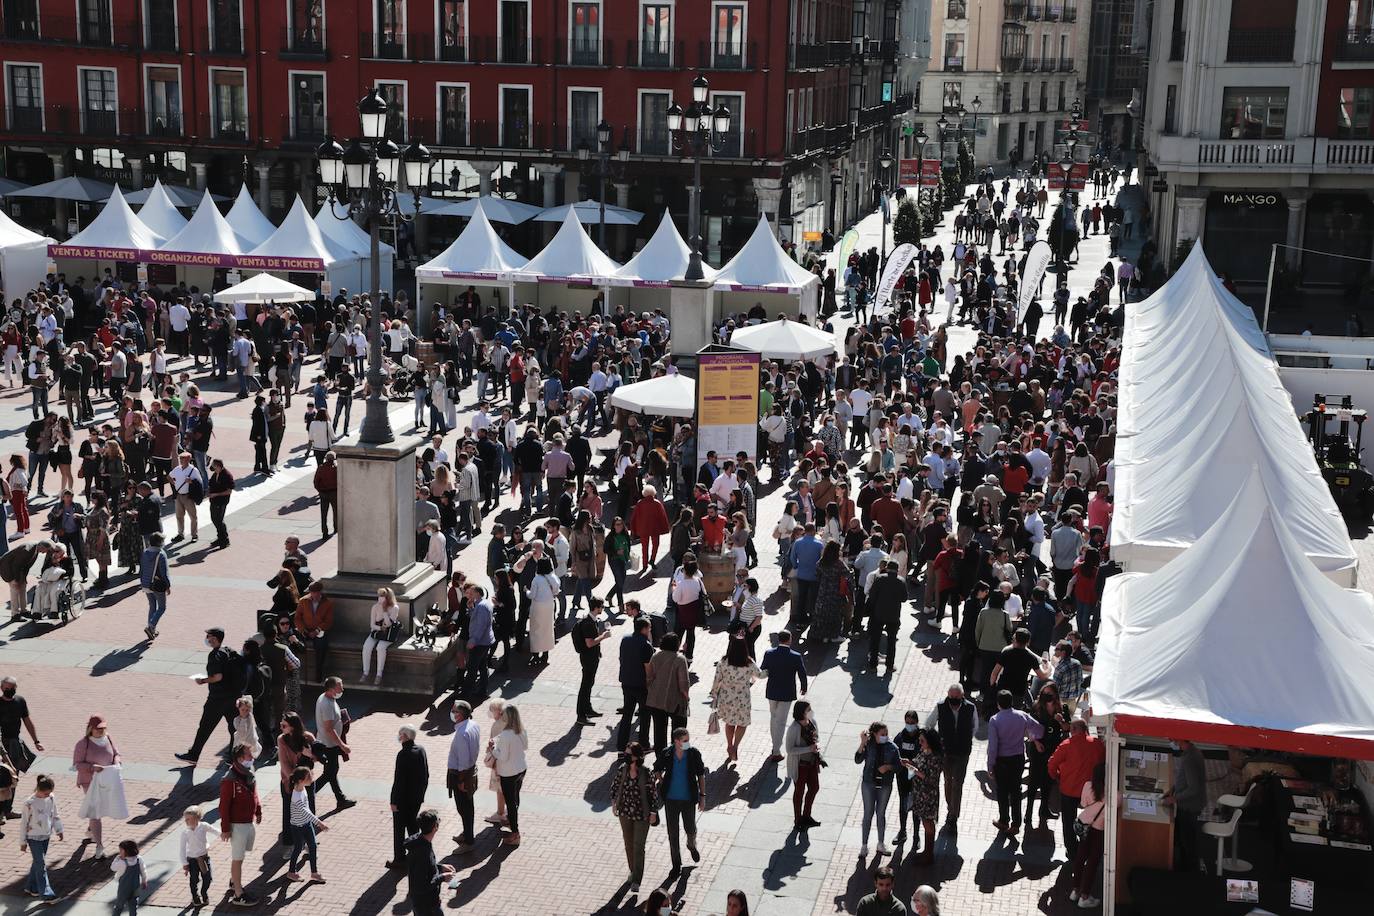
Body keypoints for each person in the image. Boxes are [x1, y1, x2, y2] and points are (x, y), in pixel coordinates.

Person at [175, 628, 239, 764]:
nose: (207, 639)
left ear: (215, 639)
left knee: (205, 727)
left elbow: (217, 676)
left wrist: (203, 680)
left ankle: (193, 755)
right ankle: (234, 757)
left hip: (217, 698)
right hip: (232, 696)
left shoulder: (215, 655)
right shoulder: (228, 651)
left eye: (209, 637)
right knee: (234, 727)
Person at [986, 689, 1044, 835]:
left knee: (1002, 792)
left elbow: (993, 747)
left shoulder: (995, 720)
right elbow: (1039, 729)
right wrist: (1032, 737)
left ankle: (1004, 820)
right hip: (1018, 759)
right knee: (1016, 791)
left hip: (1002, 760)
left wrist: (990, 765)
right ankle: (1016, 824)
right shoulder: (1022, 716)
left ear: (998, 703)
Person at [1047, 718, 1106, 857]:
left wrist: (1056, 776)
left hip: (1069, 789)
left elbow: (1051, 764)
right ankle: (1087, 845)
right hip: (1092, 790)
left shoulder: (1066, 745)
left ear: (1073, 730)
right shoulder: (1097, 744)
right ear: (1085, 729)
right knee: (1092, 819)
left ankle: (1072, 850)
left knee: (1068, 820)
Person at [609, 740, 661, 896]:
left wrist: (653, 813)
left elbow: (653, 794)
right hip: (625, 813)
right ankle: (632, 871)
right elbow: (615, 787)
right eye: (625, 753)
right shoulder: (622, 770)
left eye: (629, 754)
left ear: (637, 757)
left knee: (638, 846)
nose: (626, 756)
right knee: (628, 844)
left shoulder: (646, 773)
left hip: (641, 815)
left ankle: (637, 879)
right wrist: (614, 803)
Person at [73, 714, 127, 860]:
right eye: (97, 729)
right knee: (96, 812)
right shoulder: (83, 744)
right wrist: (92, 767)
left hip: (107, 780)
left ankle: (91, 830)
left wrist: (117, 762)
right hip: (89, 782)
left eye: (103, 728)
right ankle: (99, 846)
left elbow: (116, 753)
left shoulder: (108, 738)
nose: (100, 731)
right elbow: (77, 764)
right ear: (90, 728)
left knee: (96, 810)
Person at [654, 726, 705, 874]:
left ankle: (691, 845)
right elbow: (656, 768)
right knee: (673, 833)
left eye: (688, 740)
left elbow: (701, 775)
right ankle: (676, 864)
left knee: (690, 829)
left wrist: (702, 796)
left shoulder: (693, 754)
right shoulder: (667, 753)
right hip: (671, 800)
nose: (688, 743)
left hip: (688, 800)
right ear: (676, 741)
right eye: (685, 741)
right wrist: (662, 781)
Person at [926, 684, 977, 830]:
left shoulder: (970, 708)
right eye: (951, 697)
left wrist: (965, 739)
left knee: (958, 784)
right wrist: (936, 742)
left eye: (956, 697)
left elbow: (975, 727)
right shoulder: (940, 707)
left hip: (962, 752)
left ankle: (954, 815)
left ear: (962, 696)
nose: (953, 699)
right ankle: (951, 808)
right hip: (946, 752)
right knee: (948, 781)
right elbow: (929, 724)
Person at [218, 743, 262, 907]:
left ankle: (233, 881)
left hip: (247, 822)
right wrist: (225, 829)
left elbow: (254, 794)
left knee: (241, 855)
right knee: (238, 859)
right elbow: (223, 806)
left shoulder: (249, 773)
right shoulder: (229, 780)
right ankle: (238, 894)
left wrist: (258, 810)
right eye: (249, 754)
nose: (252, 757)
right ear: (240, 758)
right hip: (237, 825)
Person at [708, 635, 763, 762]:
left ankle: (729, 745)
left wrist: (714, 693)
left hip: (726, 698)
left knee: (730, 723)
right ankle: (735, 746)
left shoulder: (723, 662)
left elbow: (717, 679)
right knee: (742, 724)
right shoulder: (749, 663)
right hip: (743, 699)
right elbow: (760, 675)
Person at [761, 630, 808, 762]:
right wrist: (804, 687)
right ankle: (776, 751)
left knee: (773, 718)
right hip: (787, 693)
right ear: (790, 639)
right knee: (780, 722)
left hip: (772, 691)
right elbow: (802, 673)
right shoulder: (795, 656)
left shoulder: (769, 653)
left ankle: (775, 745)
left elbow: (763, 669)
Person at [856, 721, 901, 857]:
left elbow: (898, 767)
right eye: (882, 734)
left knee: (881, 813)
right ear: (874, 734)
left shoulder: (892, 748)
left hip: (885, 784)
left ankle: (880, 843)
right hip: (869, 783)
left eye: (886, 734)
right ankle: (864, 845)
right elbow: (857, 759)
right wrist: (862, 743)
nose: (885, 736)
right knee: (868, 813)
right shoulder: (869, 745)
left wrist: (888, 767)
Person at [1163, 738, 1206, 873]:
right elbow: (1185, 779)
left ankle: (1190, 872)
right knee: (1185, 838)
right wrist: (1174, 788)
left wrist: (1174, 798)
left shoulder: (1190, 759)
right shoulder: (1192, 753)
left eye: (1172, 739)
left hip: (1189, 806)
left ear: (1180, 739)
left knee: (1187, 841)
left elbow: (1194, 788)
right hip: (1190, 804)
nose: (1171, 741)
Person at [19, 773, 62, 903]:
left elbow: (55, 814)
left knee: (38, 862)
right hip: (33, 837)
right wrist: (23, 842)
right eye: (46, 793)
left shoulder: (51, 798)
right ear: (39, 790)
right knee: (41, 864)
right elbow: (24, 823)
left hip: (46, 836)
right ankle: (47, 894)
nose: (48, 796)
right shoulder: (29, 803)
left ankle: (31, 887)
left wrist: (59, 829)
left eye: (50, 793)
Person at [445, 700, 481, 853]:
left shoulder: (461, 734)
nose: (452, 713)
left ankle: (468, 841)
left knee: (464, 808)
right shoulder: (473, 725)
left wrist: (460, 780)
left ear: (460, 715)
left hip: (461, 775)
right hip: (469, 772)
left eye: (454, 711)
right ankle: (467, 833)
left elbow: (464, 761)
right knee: (467, 807)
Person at [645, 632, 691, 751]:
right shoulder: (680, 659)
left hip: (656, 700)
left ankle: (660, 760)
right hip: (675, 701)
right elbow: (683, 684)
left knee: (659, 732)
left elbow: (649, 676)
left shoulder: (656, 656)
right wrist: (687, 698)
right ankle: (681, 754)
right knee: (680, 731)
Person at [313, 676, 353, 809]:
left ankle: (340, 799)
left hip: (329, 742)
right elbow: (329, 728)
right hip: (329, 744)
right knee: (330, 772)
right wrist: (342, 745)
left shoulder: (328, 699)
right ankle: (309, 793)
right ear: (331, 689)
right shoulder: (326, 704)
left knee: (331, 771)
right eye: (339, 686)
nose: (342, 688)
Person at [491, 704, 528, 846]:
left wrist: (494, 749)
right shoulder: (522, 731)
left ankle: (515, 832)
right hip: (521, 769)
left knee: (510, 803)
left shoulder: (506, 735)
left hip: (509, 773)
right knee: (515, 798)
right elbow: (525, 747)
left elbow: (503, 756)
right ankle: (513, 822)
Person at [404, 809, 454, 916]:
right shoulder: (423, 852)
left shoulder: (420, 841)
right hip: (426, 905)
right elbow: (422, 885)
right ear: (435, 827)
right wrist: (442, 877)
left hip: (425, 901)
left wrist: (440, 867)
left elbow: (425, 869)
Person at [1071, 763, 1107, 908]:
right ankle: (1085, 896)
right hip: (1099, 830)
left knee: (1080, 857)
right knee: (1093, 861)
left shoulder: (1087, 785)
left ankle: (1075, 890)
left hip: (1085, 826)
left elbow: (1083, 803)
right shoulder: (1113, 793)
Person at [617, 616, 655, 752]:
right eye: (649, 628)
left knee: (627, 714)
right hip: (641, 685)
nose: (650, 630)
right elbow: (648, 668)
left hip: (626, 682)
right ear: (644, 629)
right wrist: (651, 683)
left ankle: (621, 745)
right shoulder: (646, 645)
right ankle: (644, 744)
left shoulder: (625, 639)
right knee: (645, 715)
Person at [285, 766, 328, 883]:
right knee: (298, 848)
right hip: (297, 827)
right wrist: (320, 823)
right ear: (300, 780)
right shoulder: (296, 797)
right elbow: (307, 812)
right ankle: (291, 872)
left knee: (313, 846)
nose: (311, 778)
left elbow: (307, 811)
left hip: (306, 824)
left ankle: (314, 873)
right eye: (308, 777)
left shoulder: (302, 789)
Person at [573, 598, 611, 726]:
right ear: (597, 608)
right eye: (602, 607)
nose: (603, 609)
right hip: (588, 658)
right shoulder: (589, 623)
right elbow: (589, 643)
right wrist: (603, 637)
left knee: (589, 684)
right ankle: (581, 715)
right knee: (585, 685)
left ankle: (587, 710)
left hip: (590, 657)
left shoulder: (590, 620)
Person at [785, 699, 823, 830]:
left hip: (812, 763)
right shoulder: (793, 728)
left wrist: (816, 747)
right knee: (799, 792)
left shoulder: (812, 722)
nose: (811, 712)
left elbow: (816, 737)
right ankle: (798, 820)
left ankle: (807, 816)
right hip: (800, 765)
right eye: (808, 710)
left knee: (814, 788)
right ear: (801, 712)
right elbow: (789, 750)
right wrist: (808, 749)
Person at [295, 581, 335, 682]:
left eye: (316, 592)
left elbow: (328, 621)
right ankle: (295, 670)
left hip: (319, 630)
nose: (314, 595)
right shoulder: (303, 601)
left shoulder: (327, 603)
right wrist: (302, 629)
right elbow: (297, 618)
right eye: (312, 592)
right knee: (295, 643)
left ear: (320, 592)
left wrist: (317, 630)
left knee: (321, 647)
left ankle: (319, 671)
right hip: (305, 630)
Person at [362, 587, 402, 685]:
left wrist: (384, 611)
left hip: (388, 634)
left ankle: (379, 674)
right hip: (377, 631)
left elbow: (388, 624)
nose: (380, 598)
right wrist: (380, 628)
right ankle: (365, 672)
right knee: (366, 647)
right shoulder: (375, 607)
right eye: (379, 596)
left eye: (383, 596)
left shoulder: (394, 608)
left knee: (380, 647)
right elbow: (372, 625)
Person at [179, 805, 214, 907]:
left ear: (197, 818)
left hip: (203, 858)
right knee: (194, 879)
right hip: (192, 860)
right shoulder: (185, 833)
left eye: (188, 819)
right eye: (185, 819)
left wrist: (223, 834)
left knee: (208, 877)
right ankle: (195, 896)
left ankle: (204, 893)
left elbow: (215, 830)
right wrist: (185, 863)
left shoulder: (203, 826)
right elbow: (182, 849)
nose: (186, 821)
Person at [139, 533, 171, 640]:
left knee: (152, 606)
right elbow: (164, 573)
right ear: (159, 543)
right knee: (162, 607)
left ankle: (151, 629)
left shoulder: (145, 553)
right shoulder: (161, 554)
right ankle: (151, 626)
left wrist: (142, 582)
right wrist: (168, 585)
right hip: (157, 585)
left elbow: (142, 569)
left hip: (146, 583)